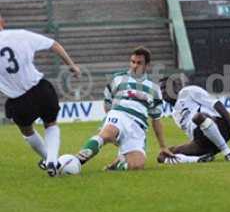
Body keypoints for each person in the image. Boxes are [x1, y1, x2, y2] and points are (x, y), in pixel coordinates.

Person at [0, 14, 81, 177]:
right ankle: (52, 160)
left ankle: (48, 159)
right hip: (40, 89)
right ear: (2, 22)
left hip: (17, 100)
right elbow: (54, 45)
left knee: (27, 131)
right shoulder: (20, 35)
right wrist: (71, 65)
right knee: (51, 124)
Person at [76, 46, 174, 171]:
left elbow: (156, 120)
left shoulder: (154, 88)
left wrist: (163, 147)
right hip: (119, 115)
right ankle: (77, 161)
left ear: (147, 65)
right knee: (107, 134)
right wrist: (109, 119)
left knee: (137, 166)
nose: (134, 65)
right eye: (133, 62)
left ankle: (119, 162)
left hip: (138, 126)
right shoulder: (117, 78)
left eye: (139, 63)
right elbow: (107, 102)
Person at [156, 75, 230, 165]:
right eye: (161, 89)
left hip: (219, 128)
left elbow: (217, 104)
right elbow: (192, 135)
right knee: (163, 154)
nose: (163, 91)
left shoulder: (188, 91)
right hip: (202, 142)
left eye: (166, 87)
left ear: (176, 87)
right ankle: (200, 159)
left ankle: (228, 152)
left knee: (198, 117)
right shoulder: (175, 114)